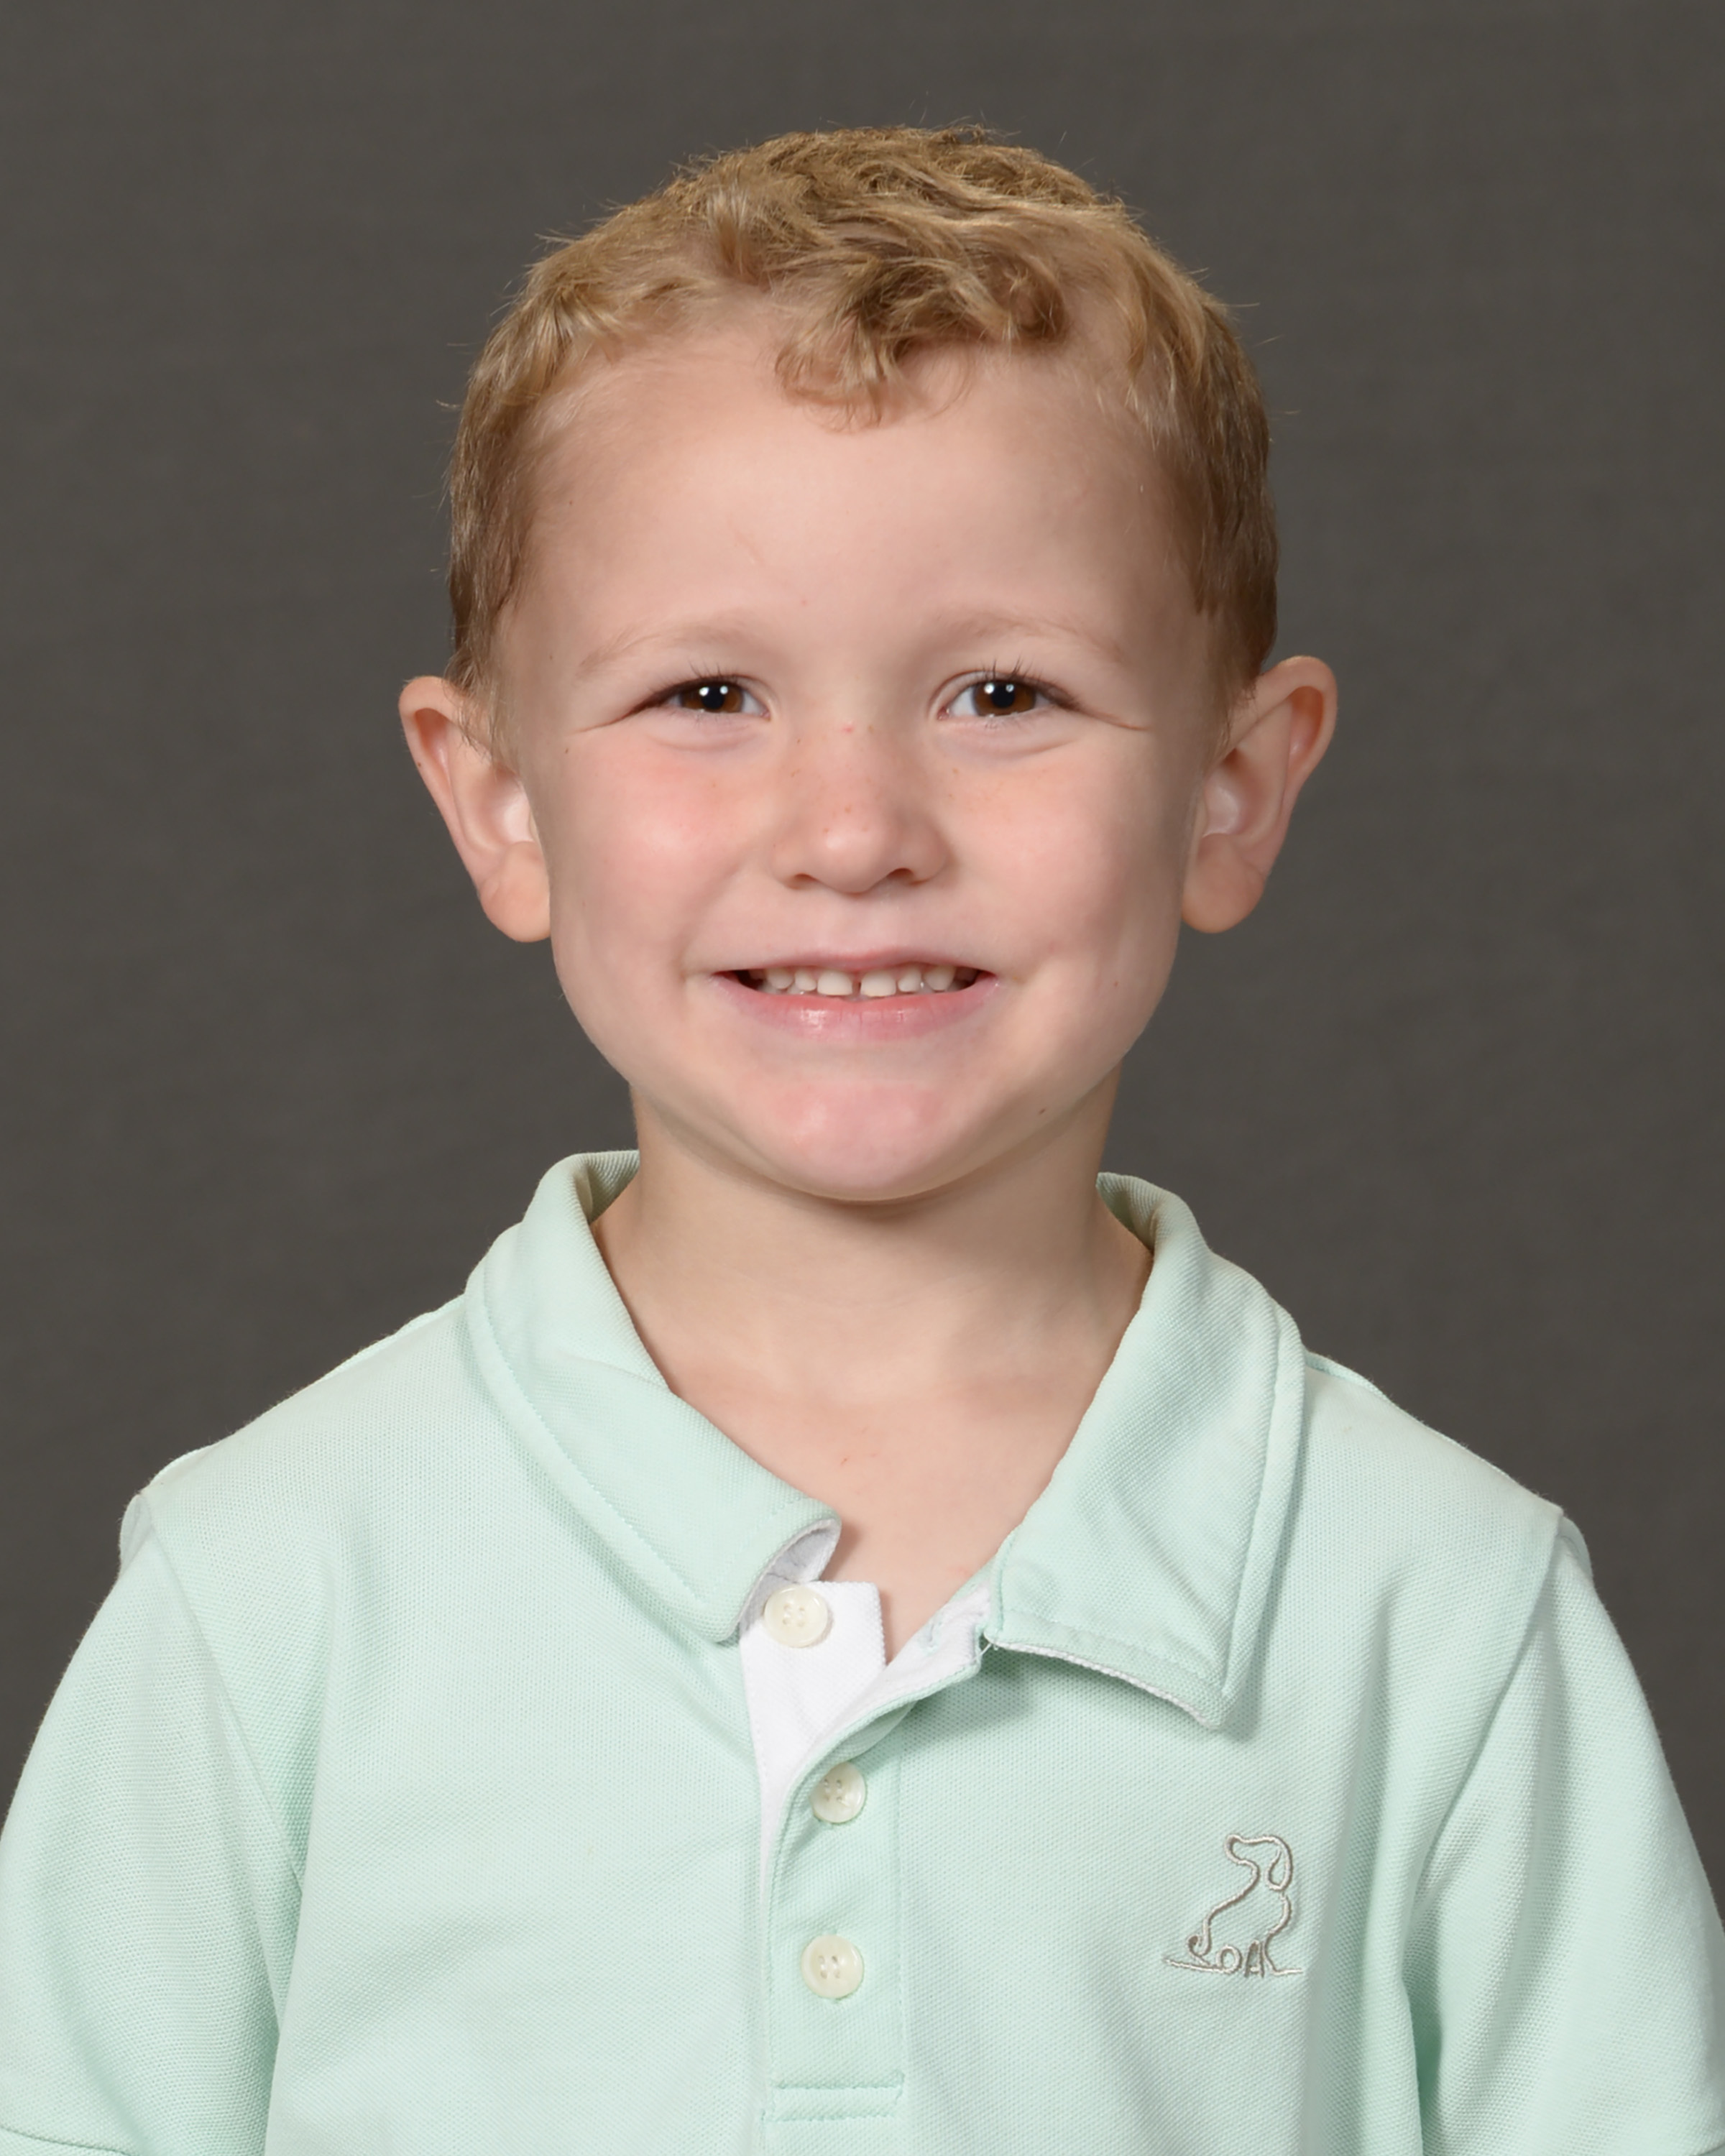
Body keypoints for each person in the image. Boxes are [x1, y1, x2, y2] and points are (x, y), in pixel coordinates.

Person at [0, 125, 1719, 2156]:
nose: (851, 831)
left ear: (1236, 789)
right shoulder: (269, 1586)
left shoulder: (1442, 1611)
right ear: (499, 803)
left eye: (1001, 693)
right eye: (707, 693)